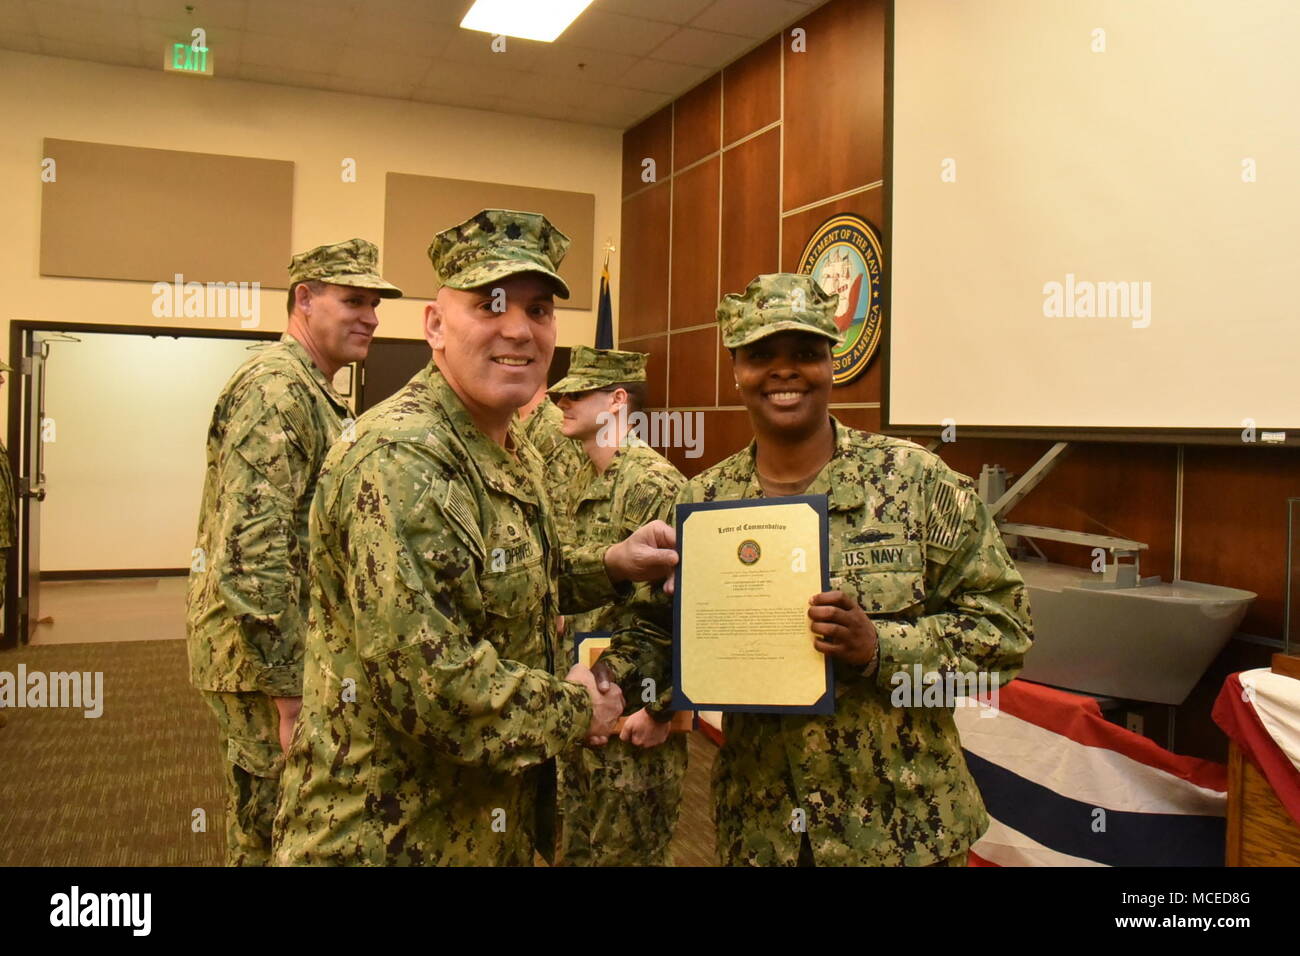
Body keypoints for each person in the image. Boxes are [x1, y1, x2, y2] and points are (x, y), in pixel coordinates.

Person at [271, 209, 677, 866]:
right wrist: (580, 708)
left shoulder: (508, 447)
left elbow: (505, 576)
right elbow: (430, 685)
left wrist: (613, 563)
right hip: (390, 833)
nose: (518, 328)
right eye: (490, 305)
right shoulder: (404, 460)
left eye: (539, 310)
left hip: (481, 821)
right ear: (434, 324)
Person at [623, 273, 1034, 866]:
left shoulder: (917, 483)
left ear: (831, 363)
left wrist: (878, 648)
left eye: (805, 354)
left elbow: (1005, 640)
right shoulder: (704, 506)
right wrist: (619, 684)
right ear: (736, 368)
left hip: (904, 834)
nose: (783, 371)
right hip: (764, 834)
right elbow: (657, 633)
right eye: (761, 354)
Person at [186, 239, 402, 866]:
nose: (370, 316)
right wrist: (288, 691)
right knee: (277, 825)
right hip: (263, 660)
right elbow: (253, 552)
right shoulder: (278, 389)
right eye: (353, 300)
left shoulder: (311, 389)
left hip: (282, 654)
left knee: (284, 818)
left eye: (375, 303)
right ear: (304, 299)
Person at [547, 346, 687, 866]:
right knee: (579, 852)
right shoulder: (582, 476)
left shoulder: (652, 484)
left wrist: (662, 710)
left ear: (618, 400)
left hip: (632, 718)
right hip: (583, 706)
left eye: (578, 392)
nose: (563, 400)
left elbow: (683, 613)